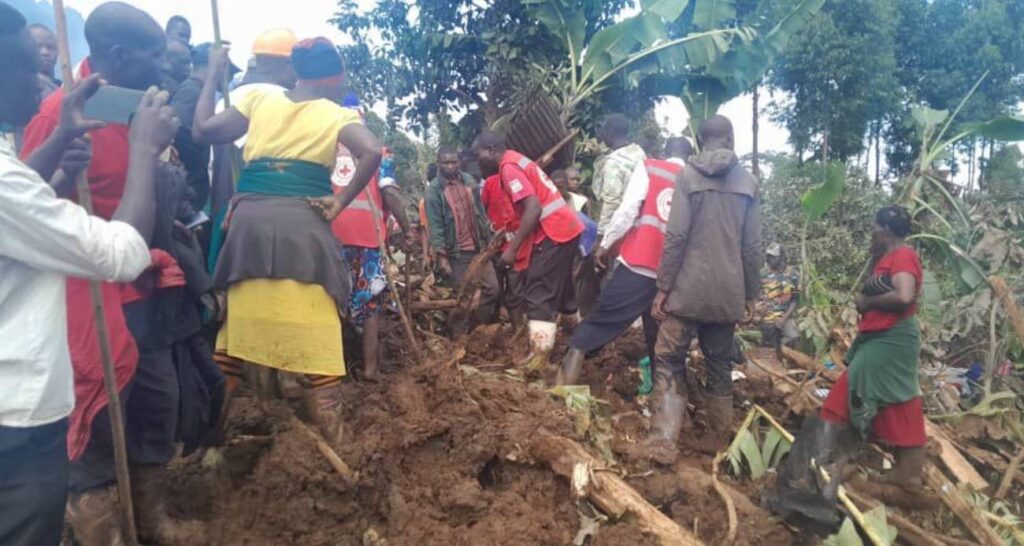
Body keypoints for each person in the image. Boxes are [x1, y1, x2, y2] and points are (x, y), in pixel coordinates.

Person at [20, 3, 206, 543]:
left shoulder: (141, 109)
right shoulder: (58, 116)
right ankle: (104, 531)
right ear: (120, 57)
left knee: (155, 405)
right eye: (155, 56)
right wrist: (63, 176)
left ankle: (152, 521)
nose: (165, 67)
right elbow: (29, 210)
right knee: (100, 423)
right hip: (87, 299)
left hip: (142, 287)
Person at [193, 38, 382, 434]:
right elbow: (372, 151)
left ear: (297, 71)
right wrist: (339, 201)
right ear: (335, 79)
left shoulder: (258, 97)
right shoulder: (336, 114)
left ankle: (210, 444)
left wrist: (212, 73)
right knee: (319, 338)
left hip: (248, 228)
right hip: (302, 228)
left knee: (234, 338)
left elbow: (202, 130)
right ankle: (337, 437)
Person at [647, 116, 762, 463]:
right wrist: (751, 293)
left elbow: (677, 237)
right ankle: (719, 442)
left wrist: (663, 287)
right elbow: (752, 247)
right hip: (728, 292)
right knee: (719, 363)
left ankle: (663, 438)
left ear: (700, 139)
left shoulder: (687, 177)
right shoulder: (749, 183)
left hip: (688, 290)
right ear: (731, 138)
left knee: (669, 357)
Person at [557, 137, 692, 386]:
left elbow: (628, 210)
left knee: (601, 319)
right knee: (660, 338)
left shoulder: (650, 167)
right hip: (675, 275)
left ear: (665, 152)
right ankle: (663, 399)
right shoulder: (695, 179)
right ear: (690, 157)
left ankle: (562, 385)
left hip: (640, 263)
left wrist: (606, 244)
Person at [822, 206, 926, 494]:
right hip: (882, 336)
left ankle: (831, 457)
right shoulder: (887, 257)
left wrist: (867, 303)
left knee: (848, 390)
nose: (872, 231)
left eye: (875, 227)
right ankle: (909, 473)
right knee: (898, 398)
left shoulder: (903, 255)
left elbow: (904, 295)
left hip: (891, 338)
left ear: (887, 230)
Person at [473, 131, 583, 362]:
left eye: (478, 155)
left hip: (554, 232)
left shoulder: (508, 168)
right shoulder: (516, 160)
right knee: (563, 290)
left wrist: (512, 250)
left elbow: (533, 208)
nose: (477, 161)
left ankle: (539, 358)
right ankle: (580, 341)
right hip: (566, 229)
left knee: (537, 294)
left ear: (491, 150)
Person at [207, 27, 299, 258]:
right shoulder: (281, 100)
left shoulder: (229, 99)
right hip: (267, 216)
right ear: (287, 65)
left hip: (225, 210)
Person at [332, 141, 411, 380]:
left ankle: (331, 370)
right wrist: (407, 229)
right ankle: (370, 369)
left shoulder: (323, 149)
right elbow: (389, 192)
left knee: (331, 302)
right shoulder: (381, 153)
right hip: (368, 239)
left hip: (330, 237)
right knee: (370, 304)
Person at [577, 113, 647, 317]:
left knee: (606, 271)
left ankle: (604, 317)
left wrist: (602, 238)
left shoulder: (614, 163)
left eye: (603, 132)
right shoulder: (640, 154)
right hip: (639, 225)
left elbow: (611, 201)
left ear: (609, 132)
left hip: (618, 226)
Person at [426, 146, 499, 332]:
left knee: (492, 289)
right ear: (439, 163)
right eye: (446, 163)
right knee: (462, 297)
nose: (450, 166)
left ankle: (477, 330)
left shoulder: (468, 181)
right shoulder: (434, 190)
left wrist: (488, 234)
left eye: (453, 162)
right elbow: (435, 225)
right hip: (456, 253)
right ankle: (458, 337)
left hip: (478, 247)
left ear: (459, 162)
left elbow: (480, 211)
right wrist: (441, 256)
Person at [759, 243, 800, 349]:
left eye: (773, 257)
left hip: (786, 316)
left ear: (781, 257)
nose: (770, 259)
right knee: (769, 350)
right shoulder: (762, 273)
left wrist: (784, 319)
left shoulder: (793, 274)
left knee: (793, 338)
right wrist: (759, 308)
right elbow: (755, 295)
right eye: (768, 256)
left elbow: (795, 300)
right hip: (767, 318)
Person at [27, 23, 59, 96]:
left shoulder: (65, 87)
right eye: (37, 46)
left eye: (50, 47)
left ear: (58, 51)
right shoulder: (18, 88)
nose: (45, 52)